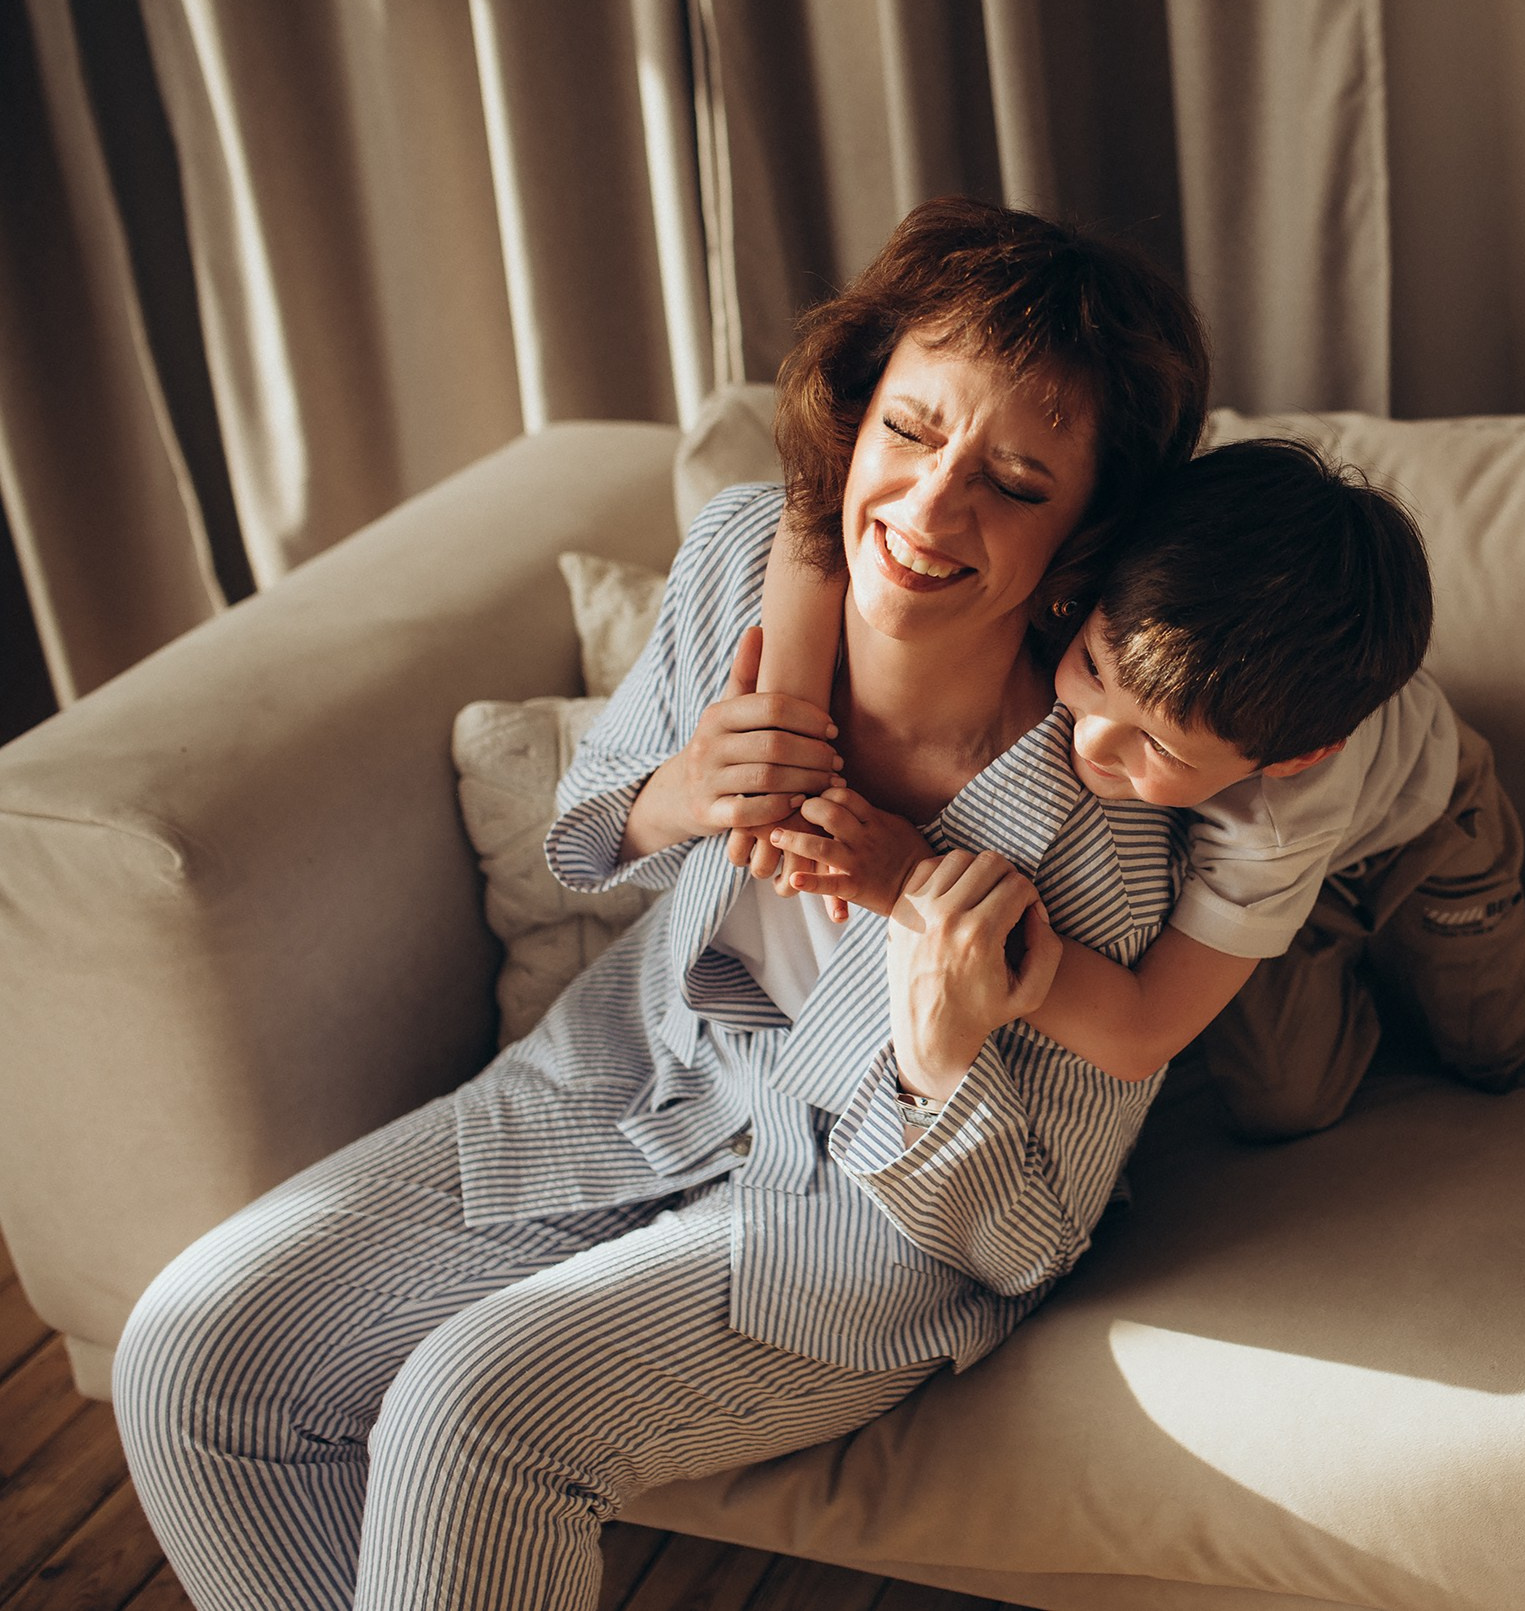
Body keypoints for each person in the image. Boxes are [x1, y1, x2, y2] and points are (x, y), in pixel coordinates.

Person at [111, 197, 1211, 1611]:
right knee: (194, 1357)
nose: (932, 508)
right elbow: (584, 838)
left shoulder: (1103, 826)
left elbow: (1025, 1238)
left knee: (471, 1412)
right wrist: (675, 794)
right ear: (859, 410)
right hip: (627, 1082)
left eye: (1012, 481)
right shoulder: (746, 557)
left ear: (1085, 535)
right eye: (912, 428)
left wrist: (940, 1062)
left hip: (865, 1226)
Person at [753, 437, 1525, 1141]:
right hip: (1290, 890)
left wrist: (915, 882)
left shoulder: (1276, 813)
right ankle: (1337, 959)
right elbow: (817, 496)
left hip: (1424, 837)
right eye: (1092, 674)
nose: (1093, 747)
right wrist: (786, 718)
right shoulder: (1109, 578)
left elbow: (1141, 1030)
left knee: (1511, 1044)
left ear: (1293, 756)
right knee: (1282, 1105)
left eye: (1159, 749)